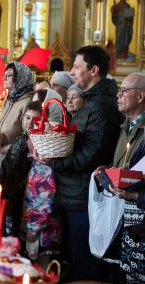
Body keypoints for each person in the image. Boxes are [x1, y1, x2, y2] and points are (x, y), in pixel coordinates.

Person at [36, 45, 124, 282]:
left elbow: (92, 155)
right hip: (73, 191)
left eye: (77, 66)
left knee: (85, 267)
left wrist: (54, 161)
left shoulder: (101, 105)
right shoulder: (89, 99)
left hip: (84, 194)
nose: (72, 72)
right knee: (73, 261)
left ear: (93, 70)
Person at [103, 72, 145, 283]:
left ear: (140, 96)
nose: (118, 95)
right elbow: (125, 163)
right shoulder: (127, 124)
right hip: (125, 210)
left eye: (125, 91)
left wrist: (136, 195)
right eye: (119, 90)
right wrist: (108, 171)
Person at [0, 101, 42, 237]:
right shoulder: (20, 139)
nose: (30, 122)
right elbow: (6, 165)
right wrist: (0, 188)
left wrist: (13, 196)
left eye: (36, 119)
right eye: (27, 117)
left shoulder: (40, 144)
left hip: (24, 199)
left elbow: (32, 175)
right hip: (8, 196)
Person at [0, 62, 34, 169]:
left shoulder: (27, 103)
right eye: (4, 74)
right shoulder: (8, 100)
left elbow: (29, 139)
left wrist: (4, 149)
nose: (4, 78)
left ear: (21, 78)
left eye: (9, 75)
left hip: (15, 163)